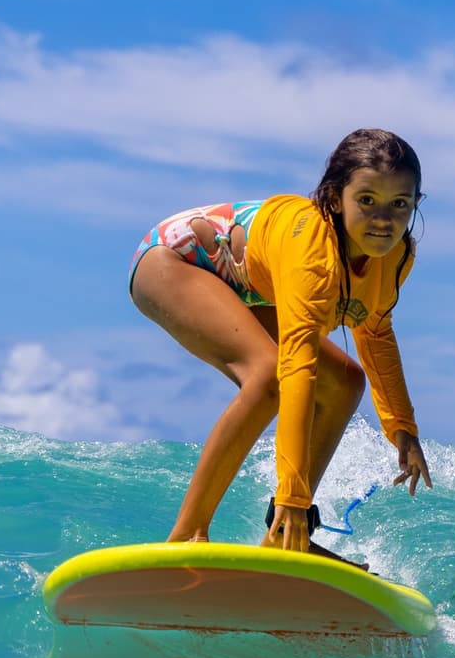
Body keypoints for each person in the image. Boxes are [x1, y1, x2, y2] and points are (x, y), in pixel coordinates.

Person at [126, 128, 434, 562]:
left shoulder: (396, 255)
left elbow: (375, 331)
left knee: (345, 382)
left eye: (399, 204)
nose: (383, 218)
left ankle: (283, 537)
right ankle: (187, 537)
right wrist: (293, 494)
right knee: (268, 375)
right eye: (366, 200)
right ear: (334, 197)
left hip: (252, 287)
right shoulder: (312, 252)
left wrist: (402, 426)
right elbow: (297, 367)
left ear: (415, 204)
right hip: (174, 261)